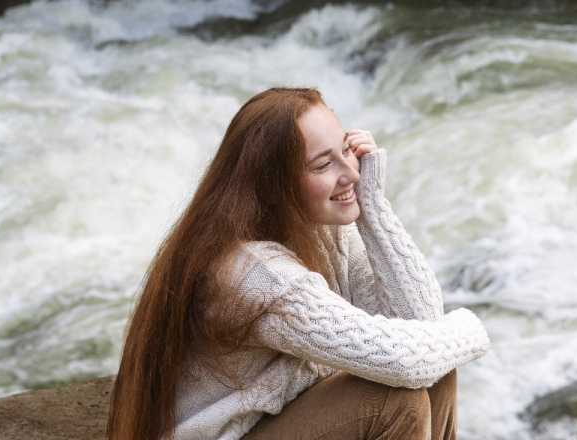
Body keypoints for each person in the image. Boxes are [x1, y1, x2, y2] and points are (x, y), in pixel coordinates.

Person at [107, 87, 491, 440]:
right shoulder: (253, 275)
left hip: (273, 420)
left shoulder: (321, 228)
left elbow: (419, 325)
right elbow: (402, 362)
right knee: (393, 400)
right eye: (324, 165)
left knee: (438, 369)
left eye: (347, 150)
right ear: (275, 184)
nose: (351, 174)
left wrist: (371, 206)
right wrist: (471, 329)